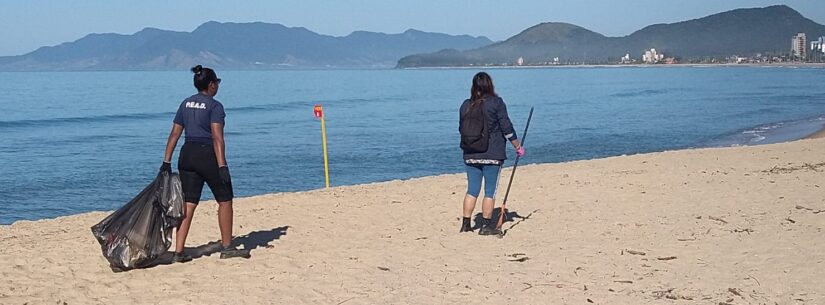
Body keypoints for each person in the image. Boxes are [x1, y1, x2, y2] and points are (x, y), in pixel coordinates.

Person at [160, 65, 250, 262]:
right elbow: (217, 138)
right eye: (216, 83)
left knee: (189, 203)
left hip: (186, 154)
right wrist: (222, 165)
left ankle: (178, 251)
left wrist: (166, 161)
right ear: (211, 85)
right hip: (206, 155)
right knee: (225, 200)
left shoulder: (185, 103)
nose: (217, 86)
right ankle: (227, 247)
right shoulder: (215, 106)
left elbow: (175, 133)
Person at [459, 72, 524, 235]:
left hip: (470, 153)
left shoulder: (466, 105)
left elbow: (461, 129)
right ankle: (487, 226)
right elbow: (507, 128)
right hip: (492, 154)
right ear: (490, 85)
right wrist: (517, 146)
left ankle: (466, 224)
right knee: (490, 191)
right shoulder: (496, 103)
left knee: (472, 189)